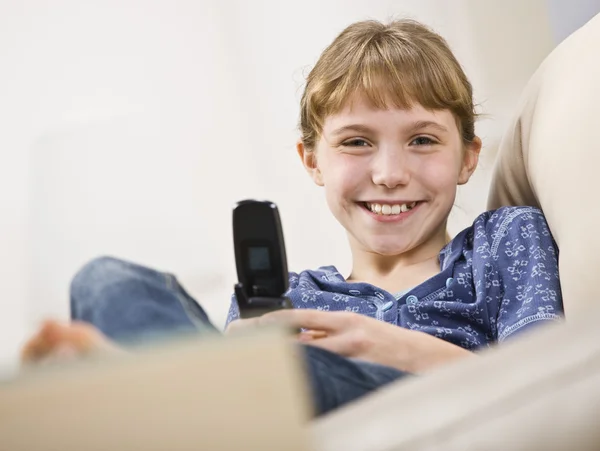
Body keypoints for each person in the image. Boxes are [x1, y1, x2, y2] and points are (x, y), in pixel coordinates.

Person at [21, 19, 563, 416]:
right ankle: (150, 391)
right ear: (313, 162)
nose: (390, 173)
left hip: (388, 413)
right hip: (266, 414)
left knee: (280, 372)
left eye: (422, 140)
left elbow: (547, 383)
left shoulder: (502, 239)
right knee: (106, 280)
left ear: (469, 156)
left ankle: (139, 394)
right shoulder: (290, 298)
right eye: (355, 142)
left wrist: (388, 347)